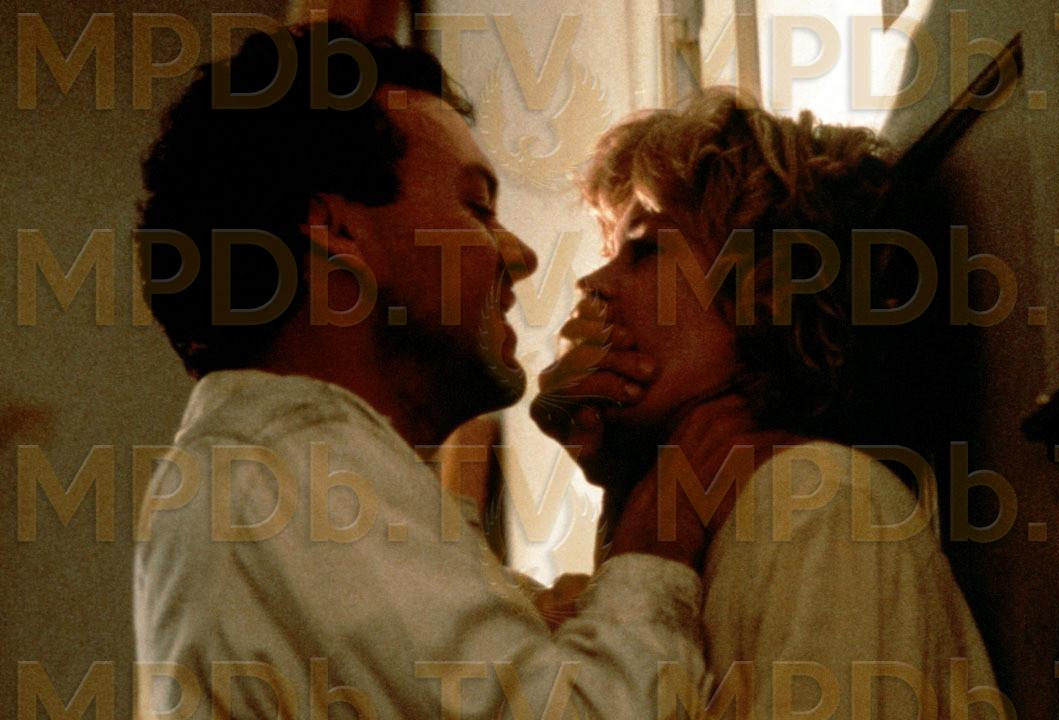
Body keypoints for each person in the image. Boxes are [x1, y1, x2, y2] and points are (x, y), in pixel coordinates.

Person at [133, 22, 713, 718]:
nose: (522, 255)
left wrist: (624, 489)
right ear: (338, 232)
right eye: (477, 207)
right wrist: (662, 521)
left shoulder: (274, 475)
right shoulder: (293, 472)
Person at [533, 90, 1005, 718]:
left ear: (768, 285)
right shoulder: (703, 521)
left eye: (644, 250)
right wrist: (622, 486)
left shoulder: (820, 504)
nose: (592, 285)